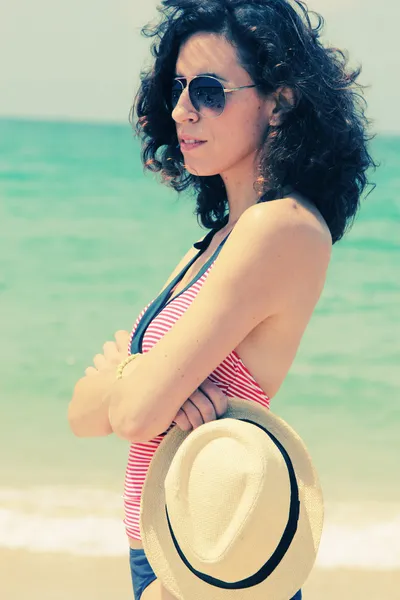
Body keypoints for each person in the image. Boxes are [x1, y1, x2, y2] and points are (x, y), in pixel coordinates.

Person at [67, 0, 377, 599]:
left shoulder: (280, 228)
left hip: (210, 565)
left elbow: (130, 416)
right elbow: (82, 413)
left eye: (208, 90)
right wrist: (141, 379)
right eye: (178, 88)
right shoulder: (211, 247)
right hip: (161, 553)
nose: (183, 110)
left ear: (279, 102)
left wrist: (131, 381)